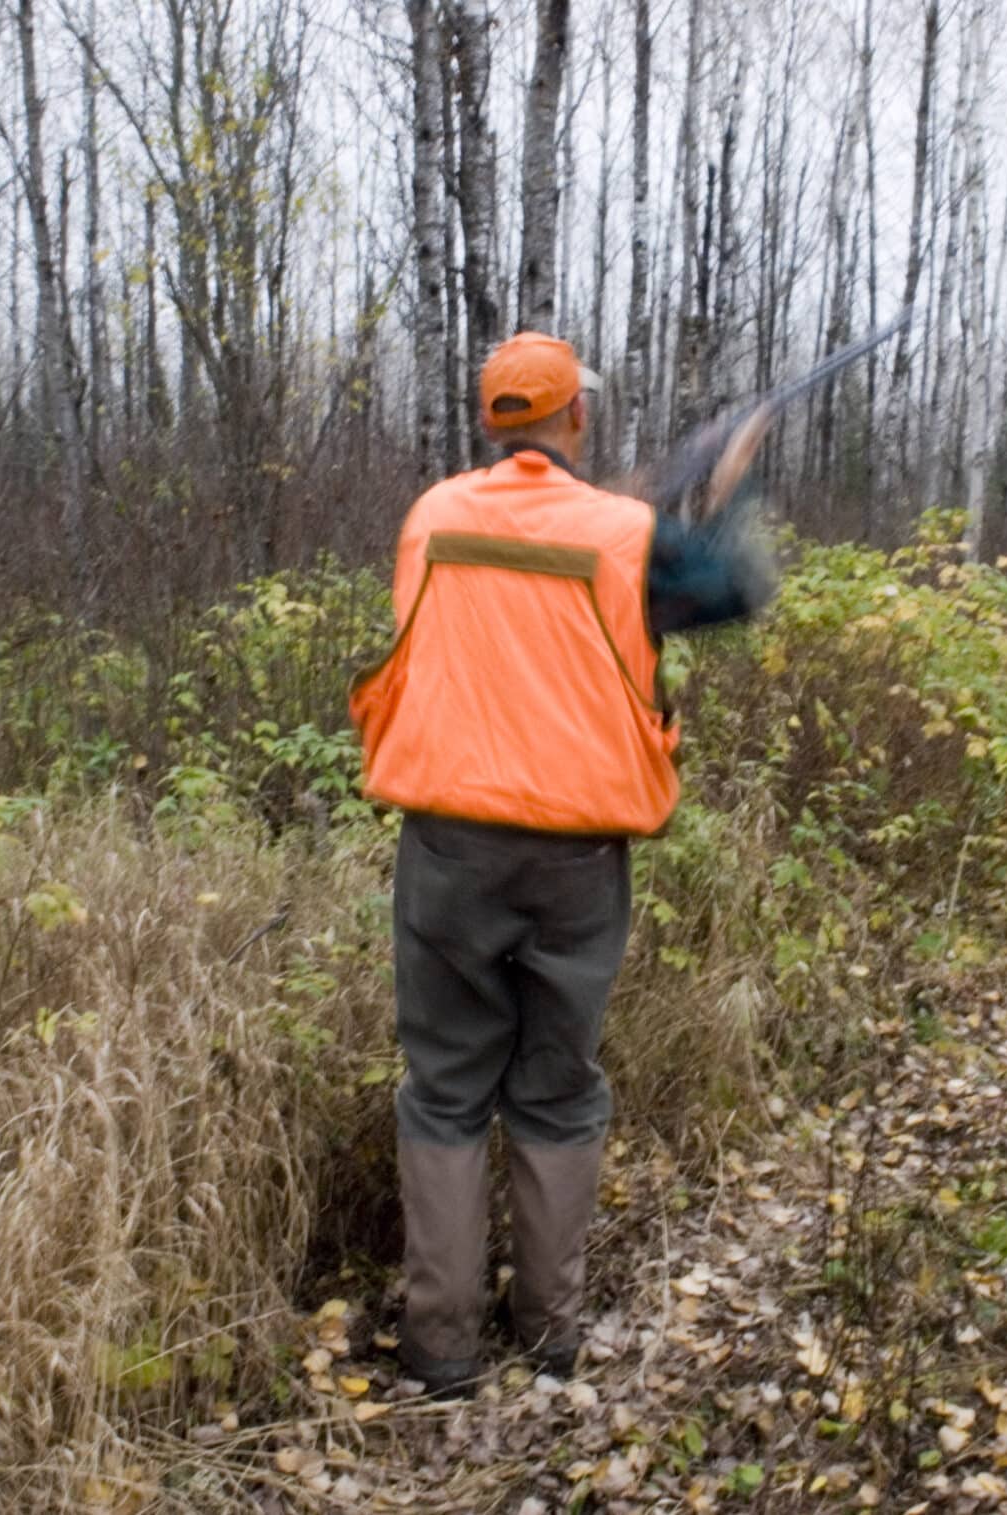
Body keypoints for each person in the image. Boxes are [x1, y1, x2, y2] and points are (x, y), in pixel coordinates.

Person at [349, 331, 771, 1397]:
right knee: (556, 1089)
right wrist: (717, 494)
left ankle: (441, 1346)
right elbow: (732, 591)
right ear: (576, 418)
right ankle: (548, 1332)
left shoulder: (430, 517)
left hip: (446, 846)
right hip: (579, 856)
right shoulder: (629, 536)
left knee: (445, 1091)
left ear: (492, 420)